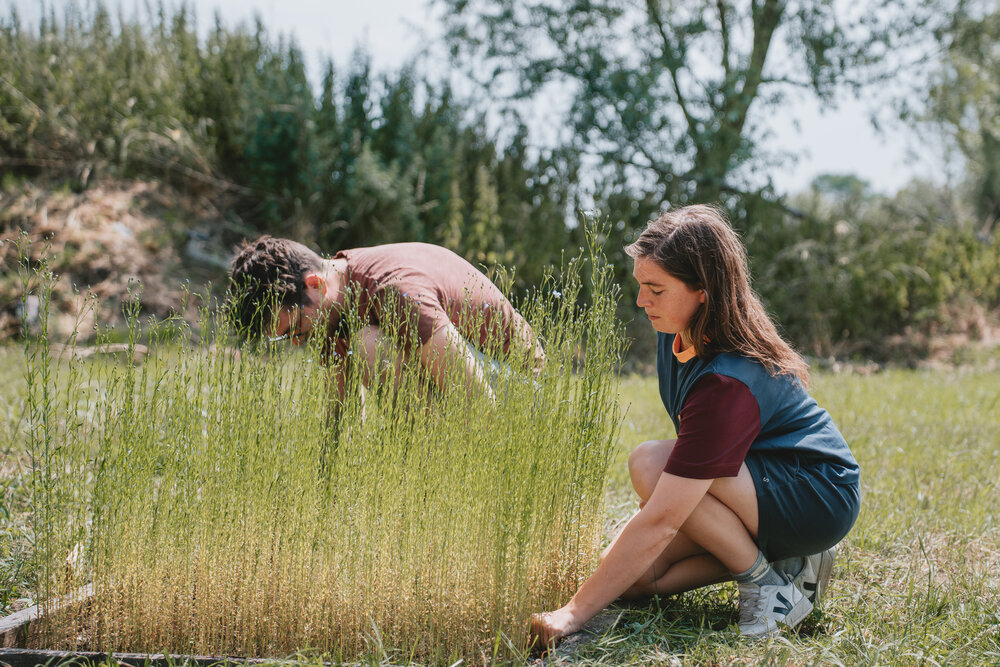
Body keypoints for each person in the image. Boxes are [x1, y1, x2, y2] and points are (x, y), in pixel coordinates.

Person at [530, 204, 861, 647]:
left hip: (814, 494)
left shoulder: (727, 380)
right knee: (637, 577)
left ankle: (767, 586)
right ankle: (792, 563)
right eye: (640, 285)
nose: (641, 301)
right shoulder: (677, 331)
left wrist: (571, 615)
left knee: (649, 465)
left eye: (656, 289)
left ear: (703, 290)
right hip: (750, 484)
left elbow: (664, 517)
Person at [227, 236, 545, 405]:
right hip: (474, 388)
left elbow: (481, 404)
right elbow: (342, 414)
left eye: (294, 330)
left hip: (518, 389)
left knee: (369, 345)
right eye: (284, 338)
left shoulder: (394, 290)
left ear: (315, 284)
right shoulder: (328, 311)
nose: (297, 342)